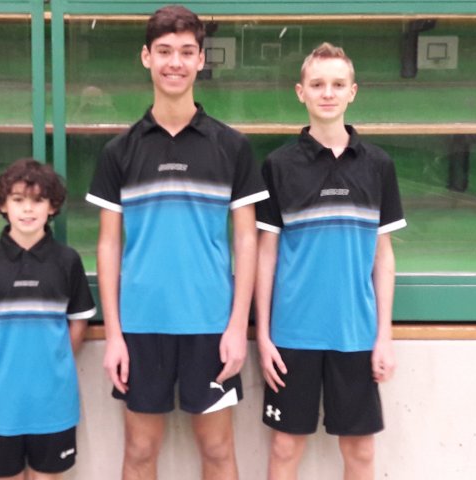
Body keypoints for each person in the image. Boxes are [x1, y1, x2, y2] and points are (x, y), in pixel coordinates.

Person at [86, 6, 268, 480]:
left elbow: (246, 240)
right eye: (164, 51)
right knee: (140, 451)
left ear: (201, 60)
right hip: (141, 326)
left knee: (218, 450)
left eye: (187, 52)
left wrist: (237, 327)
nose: (175, 62)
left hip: (210, 325)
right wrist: (114, 334)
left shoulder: (232, 146)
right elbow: (108, 246)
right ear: (146, 57)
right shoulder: (119, 151)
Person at [254, 43, 407, 480]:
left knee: (360, 451)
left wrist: (384, 336)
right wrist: (263, 335)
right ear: (300, 91)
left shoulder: (378, 165)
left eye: (338, 84)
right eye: (318, 84)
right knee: (285, 448)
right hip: (292, 334)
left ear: (352, 92)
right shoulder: (278, 165)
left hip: (356, 334)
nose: (327, 93)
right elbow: (266, 253)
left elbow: (383, 256)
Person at [0, 158, 96, 480]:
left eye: (38, 200)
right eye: (18, 199)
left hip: (54, 399)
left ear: (53, 207)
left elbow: (78, 322)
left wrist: (55, 359)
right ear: (3, 204)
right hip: (1, 401)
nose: (28, 209)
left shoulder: (67, 260)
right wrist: (1, 355)